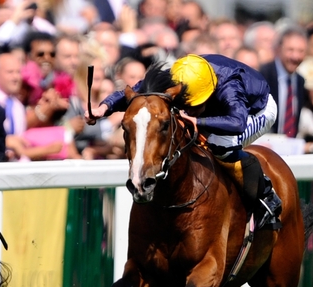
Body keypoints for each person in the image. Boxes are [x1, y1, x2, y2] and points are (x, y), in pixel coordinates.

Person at [86, 54, 282, 229]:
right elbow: (137, 92)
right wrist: (104, 108)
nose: (189, 109)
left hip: (256, 111)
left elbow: (237, 123)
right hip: (219, 107)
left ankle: (266, 195)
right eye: (186, 104)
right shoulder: (178, 74)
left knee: (220, 143)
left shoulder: (230, 87)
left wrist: (197, 121)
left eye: (194, 105)